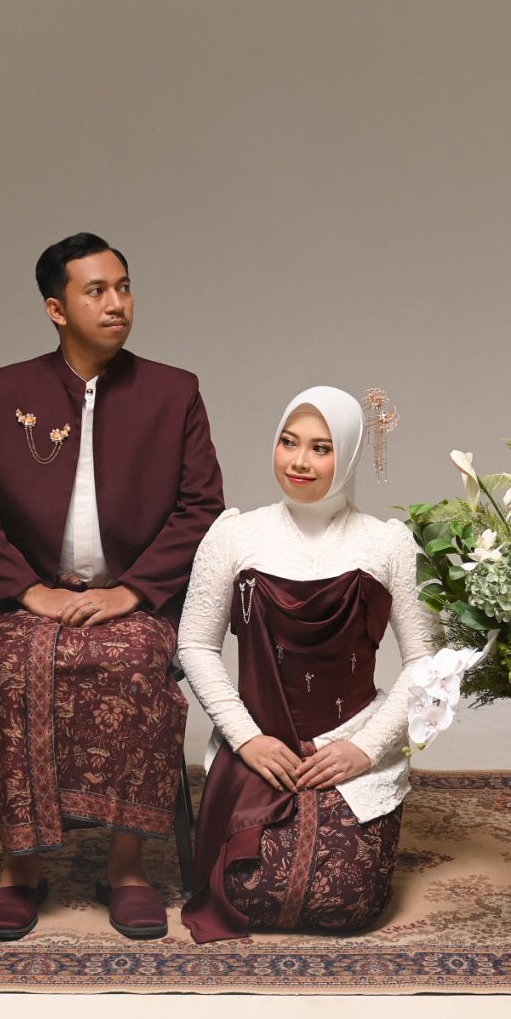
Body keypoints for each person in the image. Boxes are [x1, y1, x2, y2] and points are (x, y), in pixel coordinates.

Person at [0, 233, 225, 941]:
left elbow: (202, 507)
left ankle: (127, 870)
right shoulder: (5, 392)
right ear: (56, 309)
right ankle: (21, 870)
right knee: (15, 664)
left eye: (123, 287)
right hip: (30, 598)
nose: (116, 303)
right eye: (95, 291)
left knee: (132, 662)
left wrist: (134, 592)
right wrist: (28, 591)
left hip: (137, 599)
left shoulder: (174, 392)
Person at [178, 386, 435, 943]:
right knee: (246, 892)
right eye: (288, 442)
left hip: (352, 738)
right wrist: (247, 739)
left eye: (321, 448)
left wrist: (365, 750)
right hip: (259, 740)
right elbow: (195, 644)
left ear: (350, 454)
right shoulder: (233, 535)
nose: (299, 461)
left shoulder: (388, 544)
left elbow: (425, 662)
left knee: (347, 899)